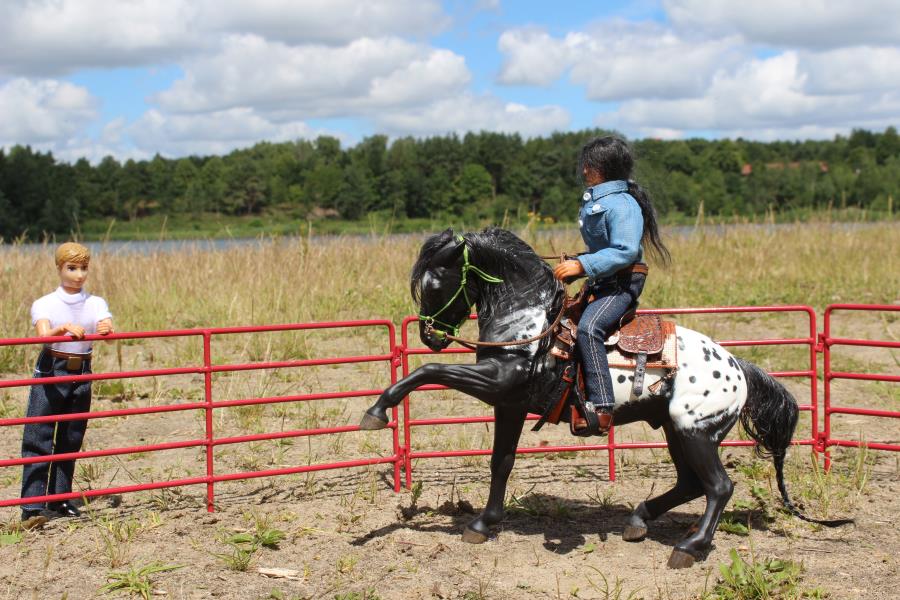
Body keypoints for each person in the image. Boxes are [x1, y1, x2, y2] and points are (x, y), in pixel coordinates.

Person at [553, 136, 670, 434]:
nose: (583, 171)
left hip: (622, 283)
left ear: (601, 167)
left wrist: (583, 265)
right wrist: (579, 265)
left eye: (588, 165)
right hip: (604, 281)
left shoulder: (623, 204)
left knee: (590, 328)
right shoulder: (601, 200)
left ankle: (602, 407)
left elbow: (625, 251)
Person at [20, 242, 113, 526]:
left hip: (82, 368)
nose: (79, 274)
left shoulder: (95, 302)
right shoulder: (45, 303)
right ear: (59, 268)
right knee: (39, 433)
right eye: (72, 268)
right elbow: (43, 336)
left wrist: (106, 329)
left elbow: (107, 330)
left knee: (71, 436)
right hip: (53, 367)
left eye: (84, 268)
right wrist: (62, 329)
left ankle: (60, 498)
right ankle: (32, 505)